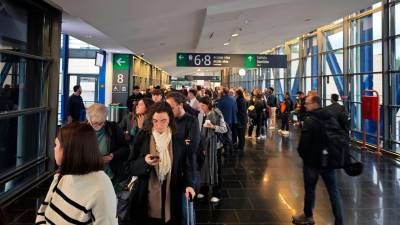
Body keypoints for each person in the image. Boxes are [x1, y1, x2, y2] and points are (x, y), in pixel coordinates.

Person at [127, 102, 196, 225]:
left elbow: (187, 165)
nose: (159, 125)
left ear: (170, 119)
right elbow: (130, 166)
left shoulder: (178, 138)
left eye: (163, 120)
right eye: (155, 121)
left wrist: (189, 185)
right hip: (146, 194)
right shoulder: (143, 136)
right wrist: (145, 162)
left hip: (172, 190)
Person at [35, 123, 118, 225]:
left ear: (70, 149)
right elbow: (42, 213)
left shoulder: (101, 187)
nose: (54, 149)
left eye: (56, 145)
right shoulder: (61, 176)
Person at [293, 95, 344, 225]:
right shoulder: (331, 117)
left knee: (310, 189)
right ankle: (339, 221)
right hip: (329, 161)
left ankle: (308, 216)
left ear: (315, 104)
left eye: (307, 103)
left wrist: (305, 157)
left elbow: (303, 145)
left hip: (312, 163)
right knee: (334, 191)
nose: (305, 105)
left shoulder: (310, 121)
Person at [165, 92, 200, 225]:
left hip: (186, 169)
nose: (168, 111)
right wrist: (182, 142)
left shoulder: (192, 120)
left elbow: (192, 147)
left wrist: (177, 144)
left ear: (180, 105)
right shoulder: (168, 120)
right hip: (170, 169)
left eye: (171, 108)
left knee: (186, 209)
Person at [86, 103, 130, 184]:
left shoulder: (113, 128)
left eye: (102, 122)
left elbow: (126, 149)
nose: (99, 126)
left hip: (109, 175)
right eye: (95, 123)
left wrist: (112, 156)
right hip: (88, 175)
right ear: (89, 119)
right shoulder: (81, 131)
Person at [197, 96, 228, 203]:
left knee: (216, 169)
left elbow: (224, 129)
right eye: (200, 105)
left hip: (215, 147)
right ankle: (204, 189)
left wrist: (213, 126)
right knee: (204, 167)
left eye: (203, 106)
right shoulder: (201, 114)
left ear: (209, 105)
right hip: (204, 146)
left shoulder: (216, 114)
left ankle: (216, 192)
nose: (202, 108)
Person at [235, 89, 248, 154]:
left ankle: (241, 146)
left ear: (238, 94)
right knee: (242, 134)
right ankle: (241, 146)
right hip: (244, 119)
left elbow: (237, 110)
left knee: (240, 134)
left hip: (240, 120)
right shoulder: (243, 99)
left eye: (236, 93)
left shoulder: (239, 100)